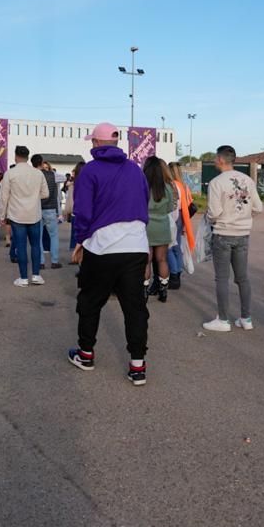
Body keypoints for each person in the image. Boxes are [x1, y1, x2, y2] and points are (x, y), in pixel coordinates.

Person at [67, 123, 152, 386]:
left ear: (95, 143)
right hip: (135, 244)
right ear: (116, 143)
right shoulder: (135, 169)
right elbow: (144, 201)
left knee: (91, 301)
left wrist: (81, 240)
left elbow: (83, 210)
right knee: (135, 307)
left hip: (102, 246)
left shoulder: (90, 170)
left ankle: (86, 354)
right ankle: (138, 366)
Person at [202, 145, 264, 332]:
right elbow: (258, 207)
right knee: (242, 278)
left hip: (223, 233)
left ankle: (223, 319)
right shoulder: (247, 180)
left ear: (220, 159)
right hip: (243, 234)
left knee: (222, 278)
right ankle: (246, 318)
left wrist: (211, 218)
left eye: (215, 158)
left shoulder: (216, 183)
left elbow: (214, 212)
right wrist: (243, 217)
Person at [0, 146, 49, 287]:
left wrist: (2, 215)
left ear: (16, 156)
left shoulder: (10, 173)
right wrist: (33, 196)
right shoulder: (38, 173)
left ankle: (23, 278)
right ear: (28, 156)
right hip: (34, 214)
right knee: (35, 246)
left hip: (17, 215)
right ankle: (36, 275)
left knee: (20, 246)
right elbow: (45, 194)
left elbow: (4, 197)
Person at [143, 157, 178, 303]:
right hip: (163, 225)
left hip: (146, 226)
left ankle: (144, 290)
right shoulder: (168, 187)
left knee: (146, 261)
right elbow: (172, 207)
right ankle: (163, 290)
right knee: (162, 259)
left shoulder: (142, 186)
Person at [165, 162, 196, 290]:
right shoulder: (184, 186)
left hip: (172, 217)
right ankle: (177, 273)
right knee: (177, 246)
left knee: (169, 247)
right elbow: (190, 204)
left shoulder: (171, 185)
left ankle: (174, 274)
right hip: (182, 217)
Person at [34, 155, 63, 269]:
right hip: (51, 209)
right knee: (54, 236)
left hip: (37, 208)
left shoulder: (35, 176)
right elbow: (57, 194)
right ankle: (55, 261)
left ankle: (41, 262)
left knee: (38, 237)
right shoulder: (53, 176)